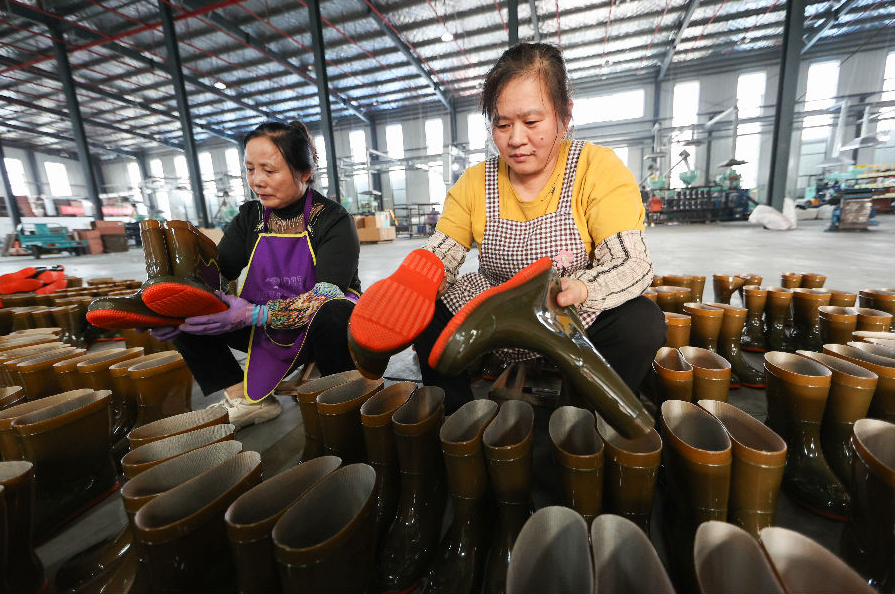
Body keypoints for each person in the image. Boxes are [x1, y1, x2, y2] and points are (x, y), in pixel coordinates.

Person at [350, 43, 665, 414]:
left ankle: (579, 417)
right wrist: (420, 279)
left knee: (641, 322)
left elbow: (631, 262)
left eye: (531, 122)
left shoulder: (597, 168)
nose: (515, 139)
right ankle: (455, 416)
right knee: (430, 308)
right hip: (494, 310)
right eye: (502, 125)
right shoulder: (475, 182)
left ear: (564, 115)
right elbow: (443, 250)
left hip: (570, 309)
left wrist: (581, 288)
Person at [152, 121, 361, 427]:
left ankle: (340, 399)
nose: (257, 181)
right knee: (187, 305)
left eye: (269, 170)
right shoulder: (251, 217)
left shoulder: (333, 219)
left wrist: (257, 314)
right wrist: (169, 308)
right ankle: (246, 399)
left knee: (335, 312)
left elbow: (324, 297)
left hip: (318, 328)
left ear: (304, 172)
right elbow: (218, 273)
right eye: (250, 169)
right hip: (258, 323)